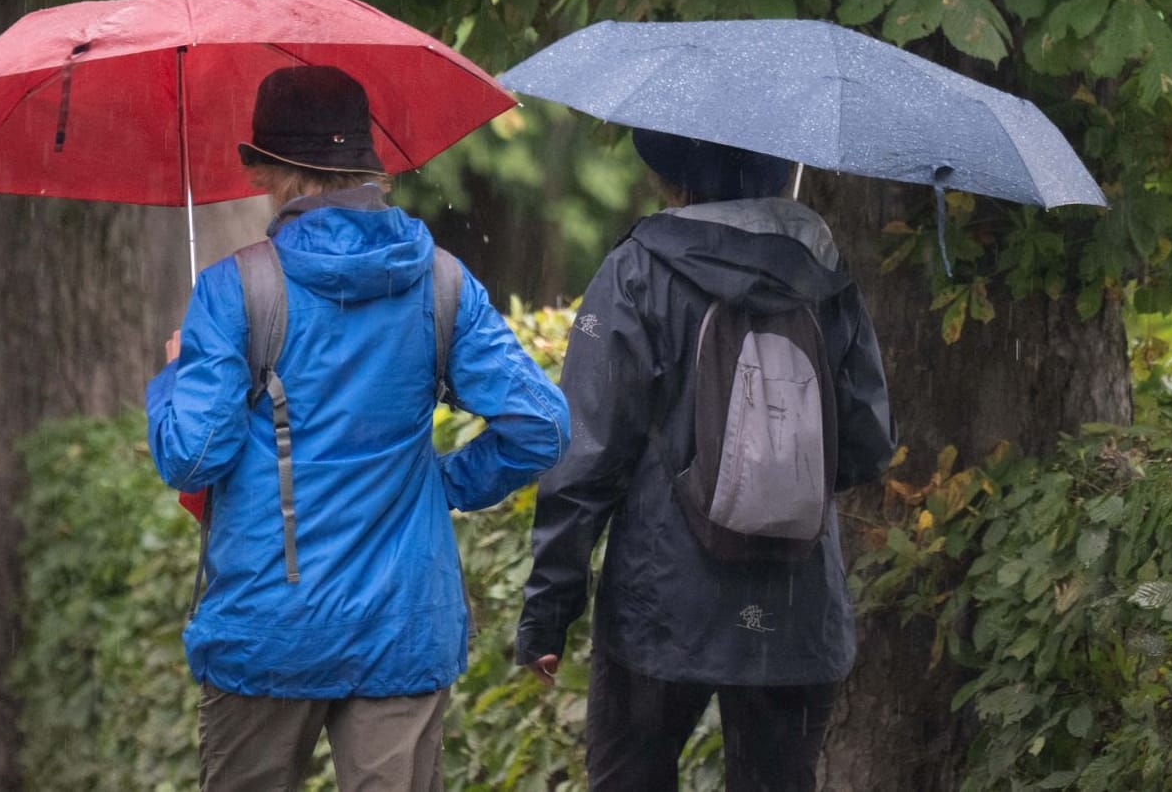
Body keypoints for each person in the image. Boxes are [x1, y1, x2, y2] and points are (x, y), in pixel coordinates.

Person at [146, 65, 569, 792]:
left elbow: (192, 457)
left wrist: (172, 377)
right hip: (401, 622)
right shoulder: (441, 283)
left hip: (265, 627)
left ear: (265, 170)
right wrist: (444, 483)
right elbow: (540, 425)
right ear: (370, 164)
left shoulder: (232, 288)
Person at [515, 130, 895, 792]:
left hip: (662, 603)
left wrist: (548, 610)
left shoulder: (639, 268)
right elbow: (865, 443)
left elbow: (587, 456)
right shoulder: (824, 274)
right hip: (794, 603)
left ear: (671, 171)